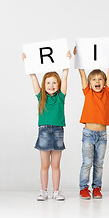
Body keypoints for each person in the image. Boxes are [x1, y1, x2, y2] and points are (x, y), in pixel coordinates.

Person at [23, 51, 71, 201]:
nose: (51, 85)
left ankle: (56, 191)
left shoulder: (61, 97)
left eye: (54, 82)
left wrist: (66, 63)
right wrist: (28, 63)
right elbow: (33, 78)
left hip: (57, 132)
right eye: (48, 83)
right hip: (44, 131)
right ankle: (43, 191)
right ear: (44, 85)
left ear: (59, 85)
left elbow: (65, 76)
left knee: (55, 164)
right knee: (45, 164)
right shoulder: (41, 96)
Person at [73, 47, 109, 199]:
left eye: (100, 79)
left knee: (99, 163)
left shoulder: (107, 92)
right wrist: (78, 57)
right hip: (88, 134)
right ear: (89, 83)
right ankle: (83, 188)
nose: (97, 81)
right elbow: (82, 73)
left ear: (104, 82)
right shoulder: (87, 92)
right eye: (94, 79)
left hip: (102, 135)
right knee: (87, 163)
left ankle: (97, 188)